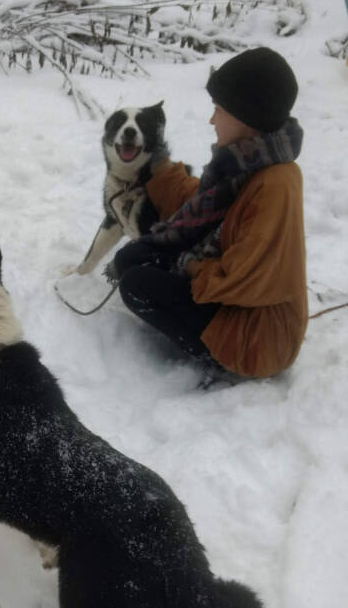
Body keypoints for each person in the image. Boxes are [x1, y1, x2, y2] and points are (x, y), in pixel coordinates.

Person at [110, 46, 307, 384]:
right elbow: (203, 206)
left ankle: (221, 364)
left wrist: (185, 266)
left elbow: (242, 280)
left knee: (136, 285)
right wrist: (161, 170)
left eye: (219, 110)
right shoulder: (248, 162)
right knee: (133, 255)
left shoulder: (275, 184)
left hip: (257, 336)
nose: (212, 120)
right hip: (238, 304)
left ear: (247, 117)